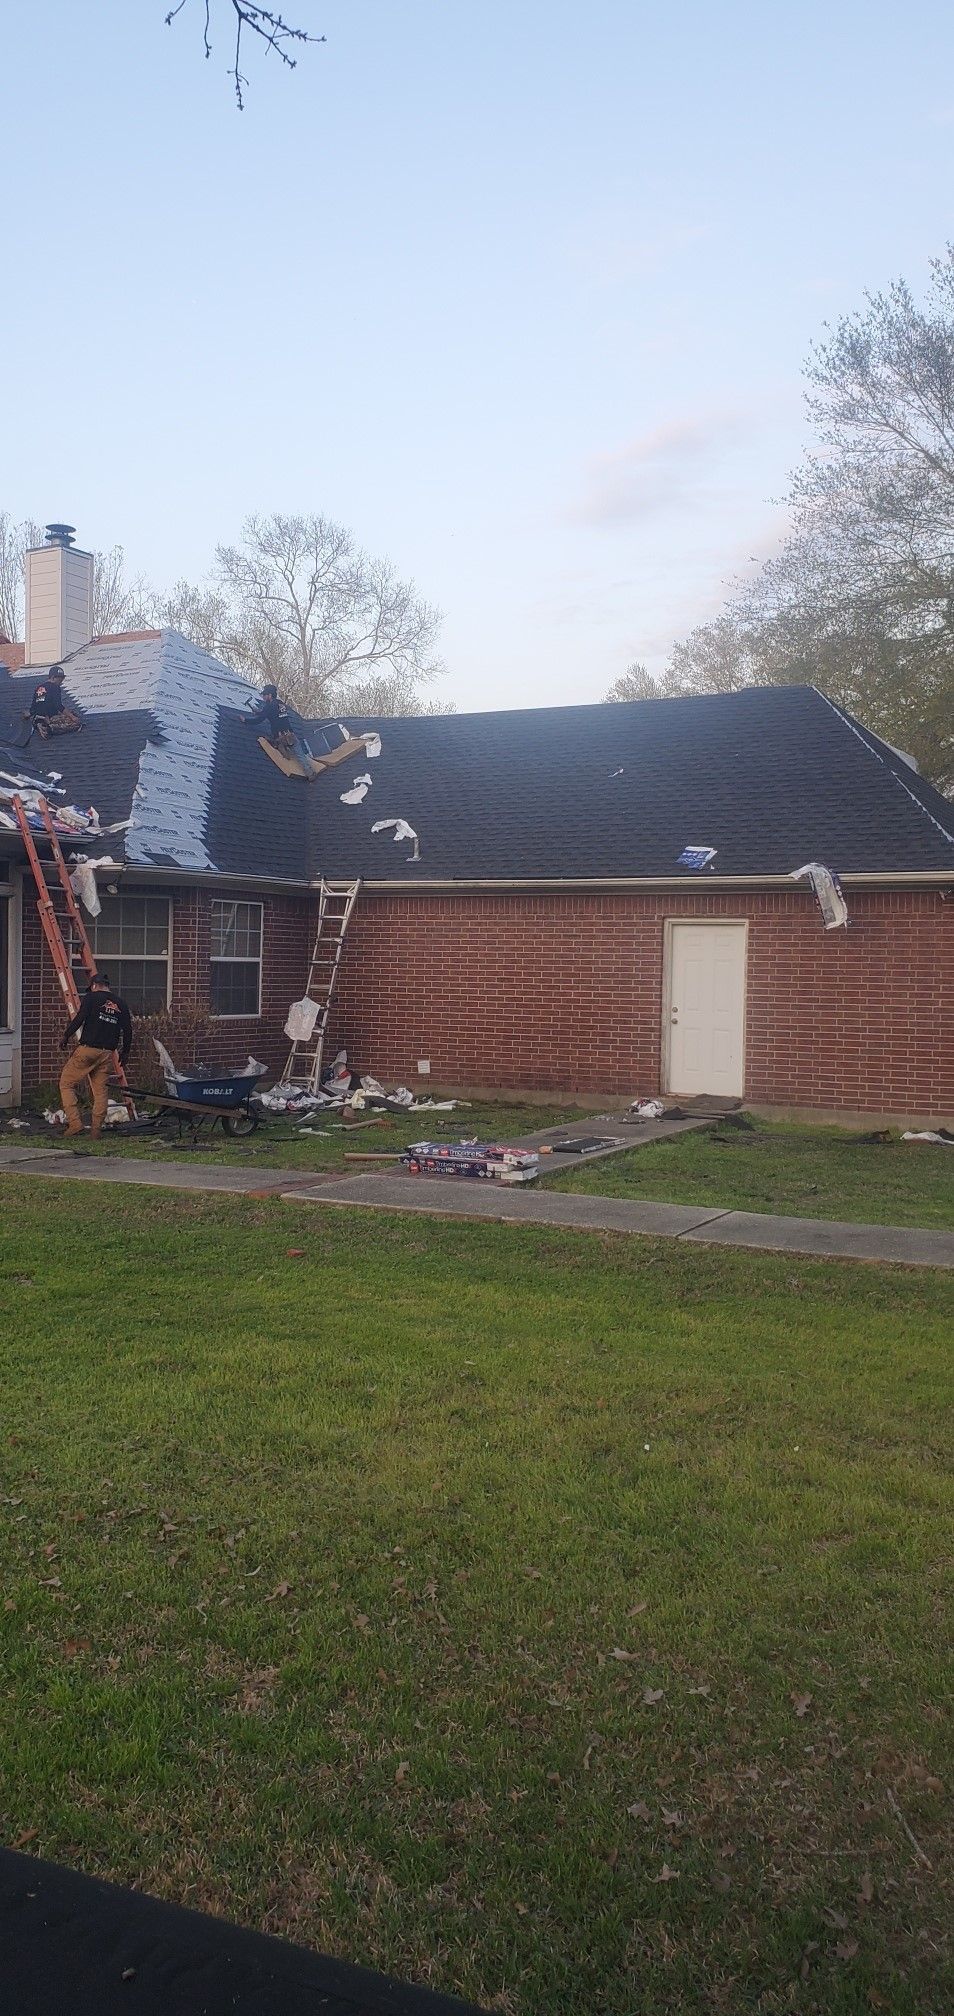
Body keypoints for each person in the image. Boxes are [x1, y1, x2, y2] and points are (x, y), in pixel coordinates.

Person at [59, 972, 132, 1140]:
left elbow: (80, 1019)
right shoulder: (120, 1003)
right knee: (100, 1092)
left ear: (94, 986)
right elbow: (128, 1030)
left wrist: (66, 1035)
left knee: (66, 1084)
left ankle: (75, 1124)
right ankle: (96, 1131)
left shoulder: (91, 998)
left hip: (87, 1050)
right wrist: (125, 1051)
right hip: (106, 1053)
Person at [25, 665, 82, 739]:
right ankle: (49, 727)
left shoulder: (39, 688)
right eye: (60, 679)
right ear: (53, 677)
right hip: (50, 716)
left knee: (69, 714)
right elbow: (59, 706)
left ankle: (39, 723)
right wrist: (72, 717)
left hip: (37, 717)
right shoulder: (55, 687)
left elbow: (34, 707)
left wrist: (28, 715)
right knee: (75, 721)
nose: (61, 681)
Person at [242, 683, 296, 754]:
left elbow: (259, 720)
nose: (263, 697)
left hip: (280, 739)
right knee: (301, 757)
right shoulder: (280, 703)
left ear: (270, 695)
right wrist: (260, 712)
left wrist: (245, 720)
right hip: (290, 735)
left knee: (282, 758)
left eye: (264, 695)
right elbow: (274, 714)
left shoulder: (270, 706)